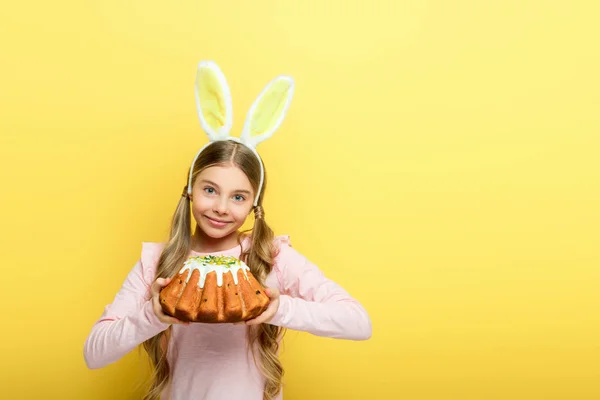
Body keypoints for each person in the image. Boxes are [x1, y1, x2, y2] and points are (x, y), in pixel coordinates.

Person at [83, 61, 372, 400]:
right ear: (190, 189)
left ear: (254, 205)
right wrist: (153, 313)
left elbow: (358, 323)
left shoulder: (271, 258)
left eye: (238, 196)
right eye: (210, 190)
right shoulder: (158, 262)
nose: (221, 207)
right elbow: (94, 353)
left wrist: (279, 309)